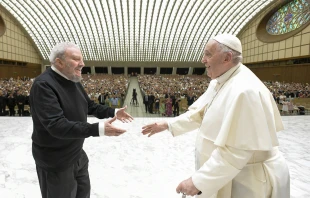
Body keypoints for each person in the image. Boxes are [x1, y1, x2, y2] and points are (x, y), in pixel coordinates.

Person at [142, 34, 290, 198]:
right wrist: (167, 125)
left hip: (248, 182)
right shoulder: (220, 81)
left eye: (208, 54)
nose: (202, 60)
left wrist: (198, 182)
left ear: (227, 57)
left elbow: (236, 151)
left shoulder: (245, 91)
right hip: (227, 174)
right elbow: (199, 114)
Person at [30, 42, 133, 198]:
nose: (82, 64)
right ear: (59, 62)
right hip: (56, 160)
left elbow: (89, 106)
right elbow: (56, 126)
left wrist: (114, 111)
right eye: (76, 59)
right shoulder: (43, 85)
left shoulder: (73, 79)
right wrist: (97, 129)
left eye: (81, 59)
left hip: (77, 154)